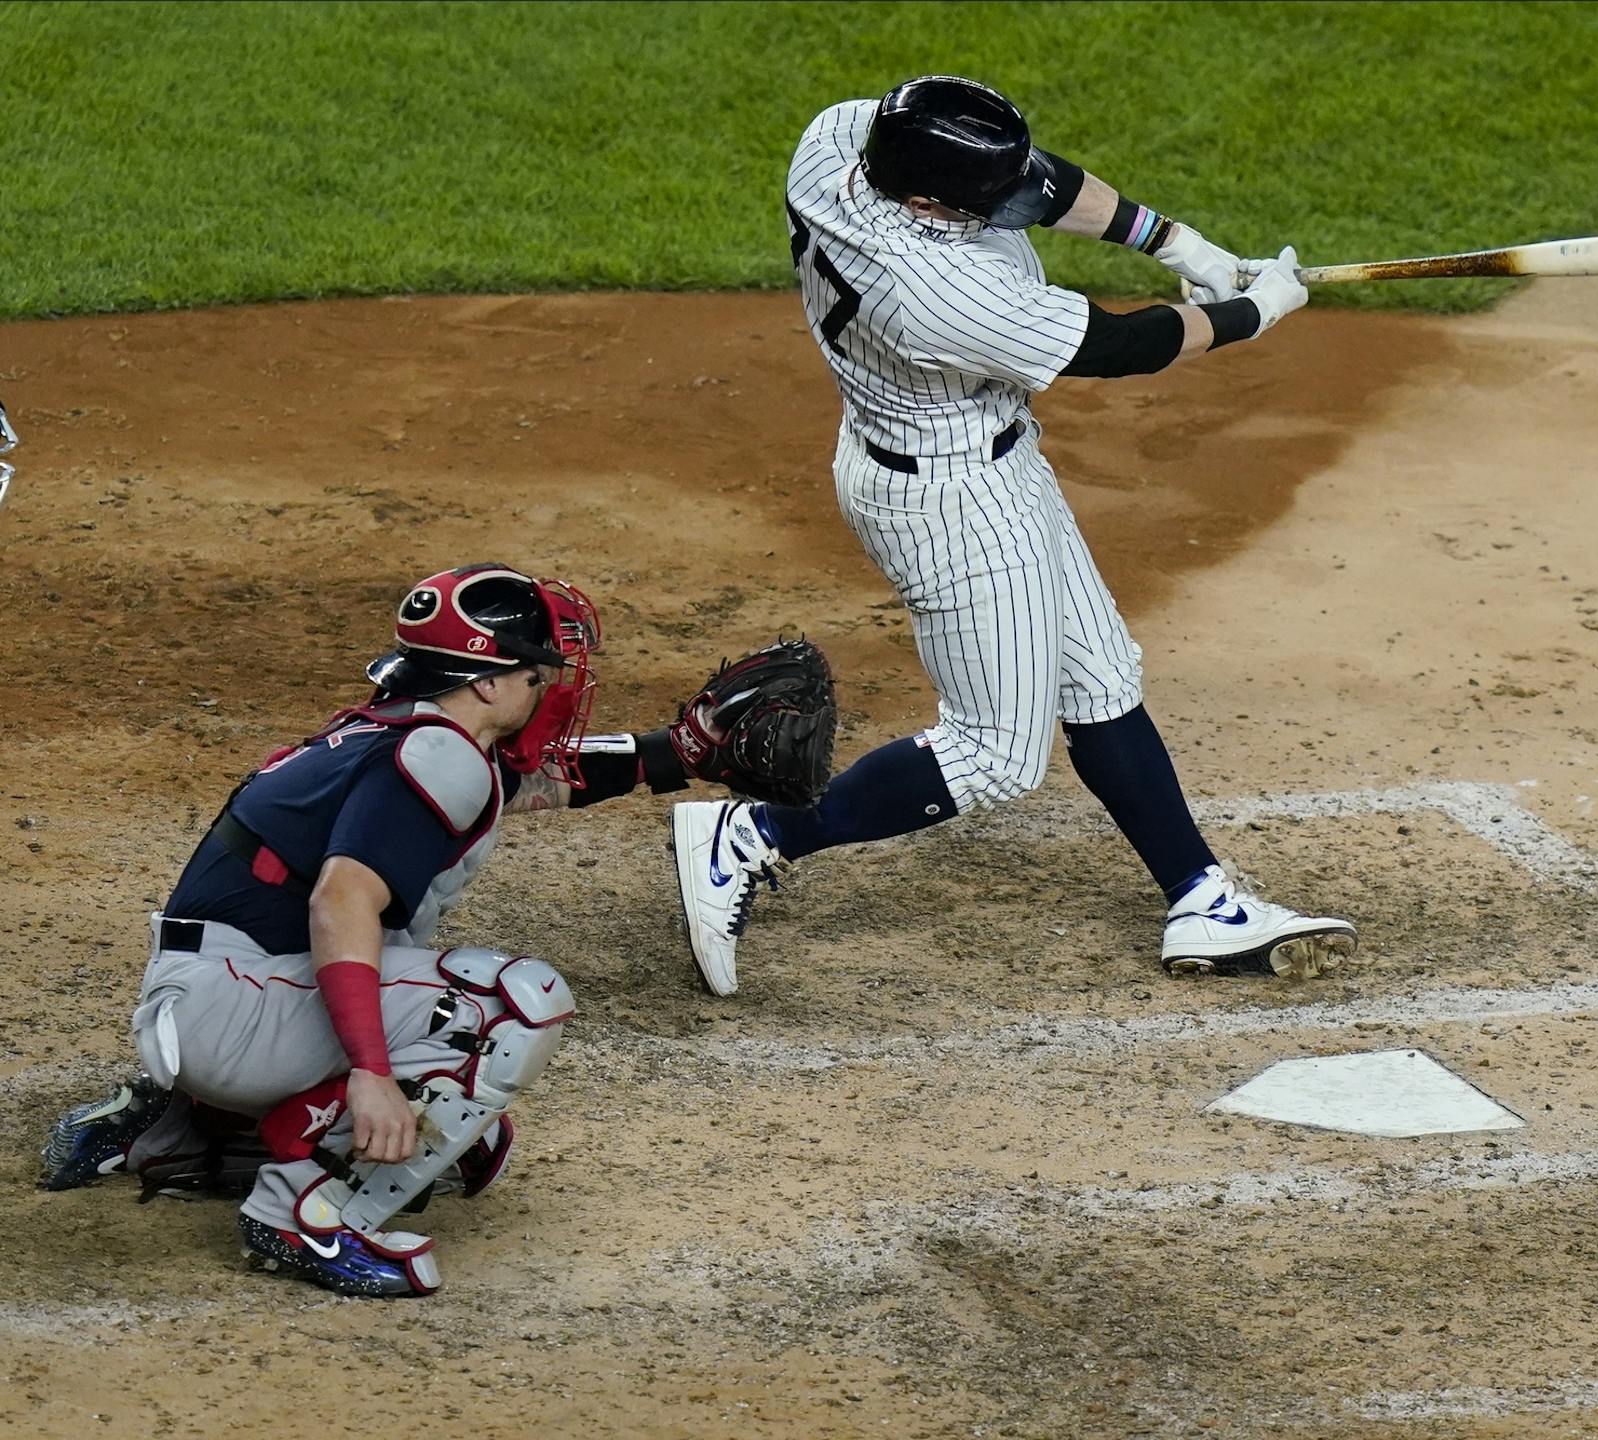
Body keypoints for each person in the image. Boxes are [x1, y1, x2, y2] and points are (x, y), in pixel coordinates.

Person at [672, 75, 1356, 998]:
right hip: (948, 501)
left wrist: (1181, 243)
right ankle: (752, 835)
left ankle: (1201, 896)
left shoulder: (840, 139)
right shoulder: (936, 292)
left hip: (978, 457)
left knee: (1101, 677)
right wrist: (1254, 311)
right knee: (995, 753)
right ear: (926, 199)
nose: (1016, 202)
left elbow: (1039, 180)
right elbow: (1120, 347)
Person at [40, 565, 834, 1297]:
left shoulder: (406, 731)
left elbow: (539, 779)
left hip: (212, 997)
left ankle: (186, 1133)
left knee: (466, 1144)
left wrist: (681, 752)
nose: (551, 688)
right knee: (512, 1007)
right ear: (488, 683)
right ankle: (303, 1216)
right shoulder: (434, 757)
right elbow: (338, 902)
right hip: (235, 1012)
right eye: (537, 673)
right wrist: (371, 1073)